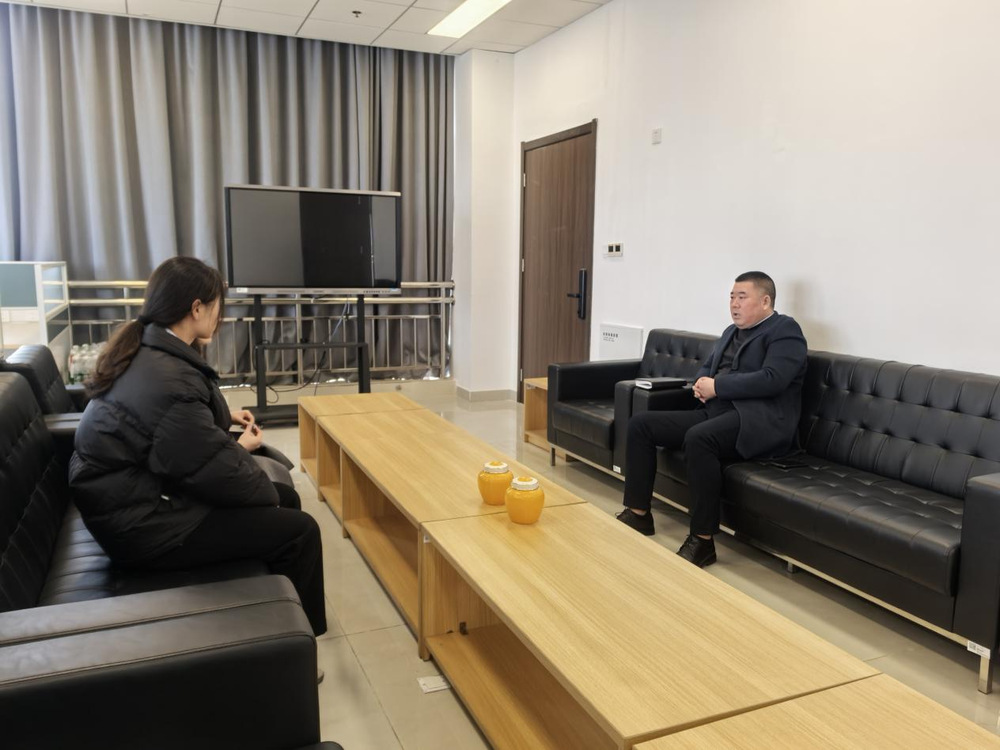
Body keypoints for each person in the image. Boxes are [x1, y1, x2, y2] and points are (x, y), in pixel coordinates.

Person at [69, 256, 326, 636]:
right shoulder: (167, 376)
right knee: (300, 530)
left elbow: (173, 432)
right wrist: (251, 467)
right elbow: (213, 470)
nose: (220, 316)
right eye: (218, 305)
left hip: (136, 503)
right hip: (145, 530)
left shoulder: (149, 351)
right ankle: (299, 642)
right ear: (197, 308)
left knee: (283, 498)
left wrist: (225, 419)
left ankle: (279, 617)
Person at [616, 271, 807, 568]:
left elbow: (773, 379)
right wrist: (700, 384)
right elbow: (707, 368)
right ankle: (638, 514)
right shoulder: (731, 331)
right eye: (732, 297)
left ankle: (702, 540)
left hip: (759, 421)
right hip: (716, 413)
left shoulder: (785, 331)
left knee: (700, 438)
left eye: (742, 297)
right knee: (642, 425)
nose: (734, 304)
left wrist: (718, 387)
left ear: (765, 301)